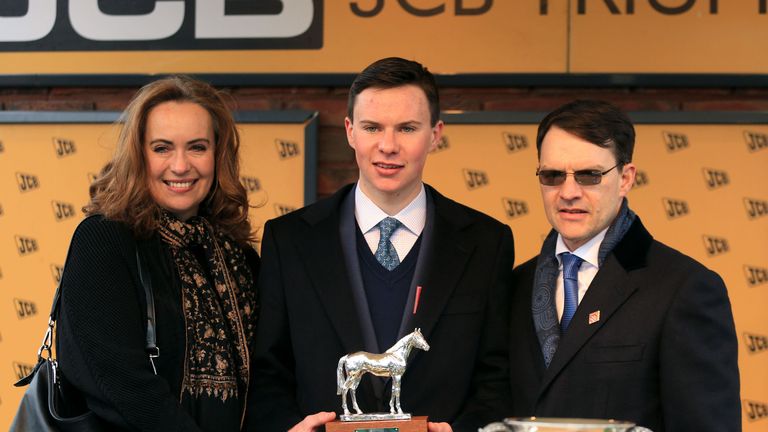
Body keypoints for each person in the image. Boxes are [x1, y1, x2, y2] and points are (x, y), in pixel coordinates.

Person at [248, 57, 514, 432]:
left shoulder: (487, 242)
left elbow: (496, 378)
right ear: (350, 131)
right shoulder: (289, 240)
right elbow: (267, 374)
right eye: (372, 127)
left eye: (407, 128)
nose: (388, 146)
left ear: (436, 134)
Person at [505, 99, 740, 431]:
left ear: (627, 178)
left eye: (589, 175)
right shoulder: (515, 285)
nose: (568, 192)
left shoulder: (684, 288)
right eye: (553, 175)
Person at [56, 75, 260, 431]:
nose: (180, 166)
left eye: (197, 147)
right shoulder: (104, 239)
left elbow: (266, 376)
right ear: (138, 153)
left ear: (218, 153)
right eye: (162, 148)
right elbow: (123, 385)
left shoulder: (237, 254)